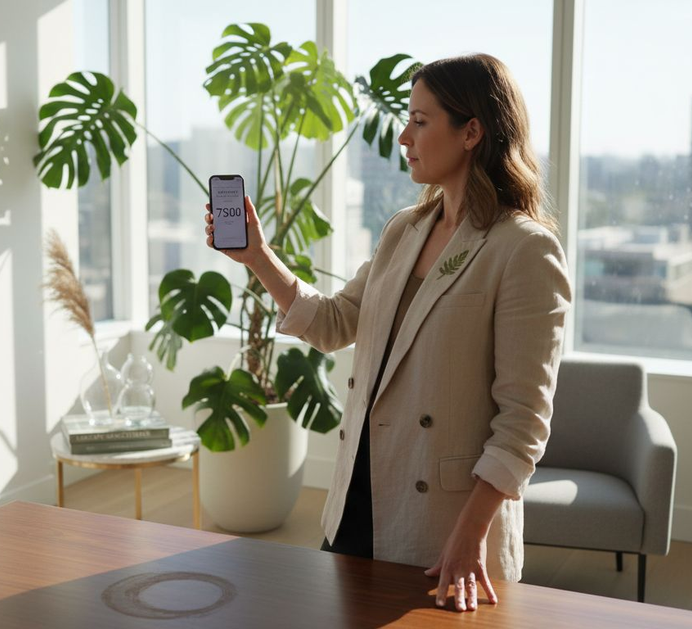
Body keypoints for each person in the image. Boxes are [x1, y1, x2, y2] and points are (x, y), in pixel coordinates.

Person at [204, 53, 571, 613]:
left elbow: (523, 423)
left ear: (471, 132)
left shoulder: (524, 248)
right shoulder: (406, 228)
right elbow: (334, 322)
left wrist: (469, 535)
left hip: (448, 528)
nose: (404, 137)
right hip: (359, 497)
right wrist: (257, 255)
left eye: (420, 121)